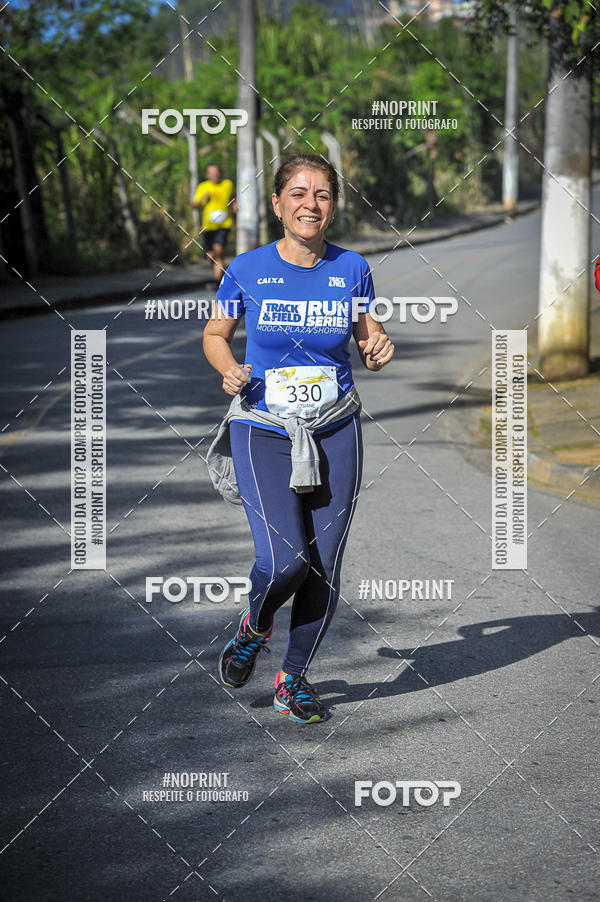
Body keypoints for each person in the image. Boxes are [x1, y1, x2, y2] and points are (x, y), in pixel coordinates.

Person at [203, 153, 394, 724]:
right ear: (278, 202)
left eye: (323, 195)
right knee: (286, 560)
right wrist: (227, 366)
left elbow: (369, 331)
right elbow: (216, 332)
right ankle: (253, 627)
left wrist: (378, 346)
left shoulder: (353, 267)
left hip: (334, 425)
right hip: (263, 427)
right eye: (299, 193)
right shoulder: (246, 268)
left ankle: (293, 679)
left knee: (323, 564)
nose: (312, 204)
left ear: (333, 205)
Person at [192, 163, 237, 287]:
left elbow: (233, 195)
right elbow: (194, 205)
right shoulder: (203, 187)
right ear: (207, 175)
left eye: (216, 172)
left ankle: (218, 282)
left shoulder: (227, 184)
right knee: (210, 255)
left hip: (224, 224)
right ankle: (223, 274)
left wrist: (234, 205)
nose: (215, 175)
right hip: (208, 226)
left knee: (218, 251)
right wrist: (202, 199)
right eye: (212, 173)